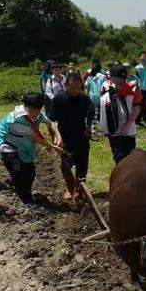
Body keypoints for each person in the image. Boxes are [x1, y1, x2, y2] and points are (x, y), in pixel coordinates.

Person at [0, 93, 63, 205]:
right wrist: (53, 147)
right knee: (18, 170)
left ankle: (15, 184)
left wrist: (59, 137)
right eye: (31, 110)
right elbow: (36, 137)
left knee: (30, 172)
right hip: (6, 143)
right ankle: (24, 197)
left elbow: (51, 124)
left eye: (37, 110)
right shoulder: (18, 119)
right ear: (26, 107)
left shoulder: (38, 114)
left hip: (23, 144)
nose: (34, 114)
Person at [48, 71, 94, 200]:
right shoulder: (59, 99)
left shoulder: (85, 99)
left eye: (78, 88)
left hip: (81, 137)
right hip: (65, 138)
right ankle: (70, 188)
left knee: (82, 166)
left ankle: (79, 189)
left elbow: (91, 115)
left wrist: (89, 128)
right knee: (65, 166)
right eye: (72, 87)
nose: (75, 90)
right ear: (66, 85)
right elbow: (50, 121)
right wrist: (56, 138)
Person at [100, 64, 142, 164]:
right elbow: (104, 112)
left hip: (129, 132)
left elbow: (137, 109)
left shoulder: (134, 88)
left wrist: (127, 126)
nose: (120, 81)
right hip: (114, 132)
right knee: (120, 160)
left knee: (130, 159)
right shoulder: (107, 91)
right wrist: (106, 130)